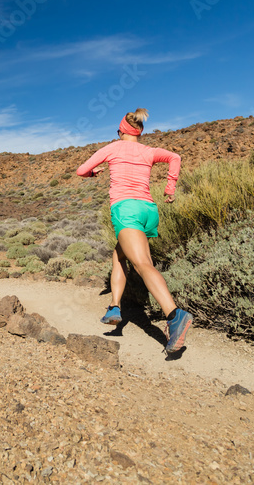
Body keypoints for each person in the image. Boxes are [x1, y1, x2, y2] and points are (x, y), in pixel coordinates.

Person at [76, 108, 193, 353]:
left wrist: (92, 172)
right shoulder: (148, 151)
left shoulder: (112, 148)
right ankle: (114, 306)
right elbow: (175, 157)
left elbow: (81, 170)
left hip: (126, 209)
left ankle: (175, 315)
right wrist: (170, 187)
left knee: (142, 265)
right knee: (120, 254)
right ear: (139, 132)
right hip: (147, 210)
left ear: (120, 131)